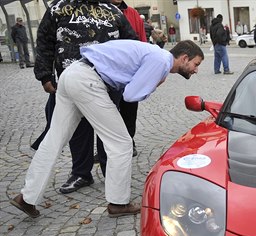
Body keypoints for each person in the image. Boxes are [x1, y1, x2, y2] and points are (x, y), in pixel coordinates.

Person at [10, 40, 204, 219]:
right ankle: (118, 203)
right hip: (89, 81)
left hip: (73, 73)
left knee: (54, 140)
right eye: (196, 64)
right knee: (121, 143)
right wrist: (153, 85)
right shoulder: (162, 60)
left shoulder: (154, 53)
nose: (196, 70)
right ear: (184, 58)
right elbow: (131, 95)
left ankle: (27, 197)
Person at [32, 0, 138, 195]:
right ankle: (81, 173)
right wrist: (45, 75)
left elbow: (131, 43)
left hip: (109, 80)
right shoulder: (58, 8)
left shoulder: (112, 10)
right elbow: (44, 41)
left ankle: (111, 173)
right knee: (78, 130)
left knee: (109, 128)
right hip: (71, 81)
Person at [95, 0, 147, 173]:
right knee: (108, 112)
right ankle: (106, 151)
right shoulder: (98, 10)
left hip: (130, 71)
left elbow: (141, 41)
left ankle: (129, 141)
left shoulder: (132, 13)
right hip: (108, 72)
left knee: (130, 110)